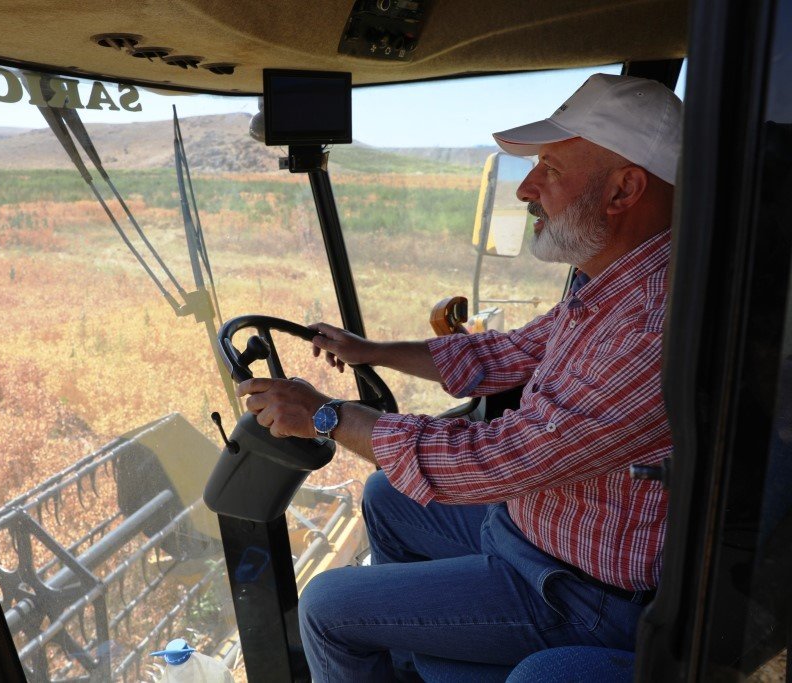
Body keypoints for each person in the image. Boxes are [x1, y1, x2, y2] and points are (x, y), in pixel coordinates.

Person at [237, 73, 681, 681]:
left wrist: (326, 415)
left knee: (326, 608)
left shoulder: (653, 325)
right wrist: (371, 351)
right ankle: (431, 659)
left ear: (625, 189)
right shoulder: (616, 285)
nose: (527, 188)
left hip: (583, 593)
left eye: (550, 168)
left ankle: (427, 651)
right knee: (387, 499)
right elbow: (509, 354)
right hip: (533, 529)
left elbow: (497, 462)